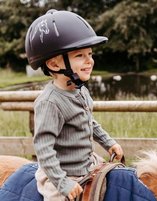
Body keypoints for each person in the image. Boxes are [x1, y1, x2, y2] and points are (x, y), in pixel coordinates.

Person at [25, 9, 124, 201]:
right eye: (80, 55)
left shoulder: (80, 90)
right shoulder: (50, 102)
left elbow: (89, 121)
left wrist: (108, 142)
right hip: (61, 174)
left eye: (90, 54)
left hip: (87, 162)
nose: (90, 61)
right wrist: (63, 183)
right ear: (54, 65)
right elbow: (44, 149)